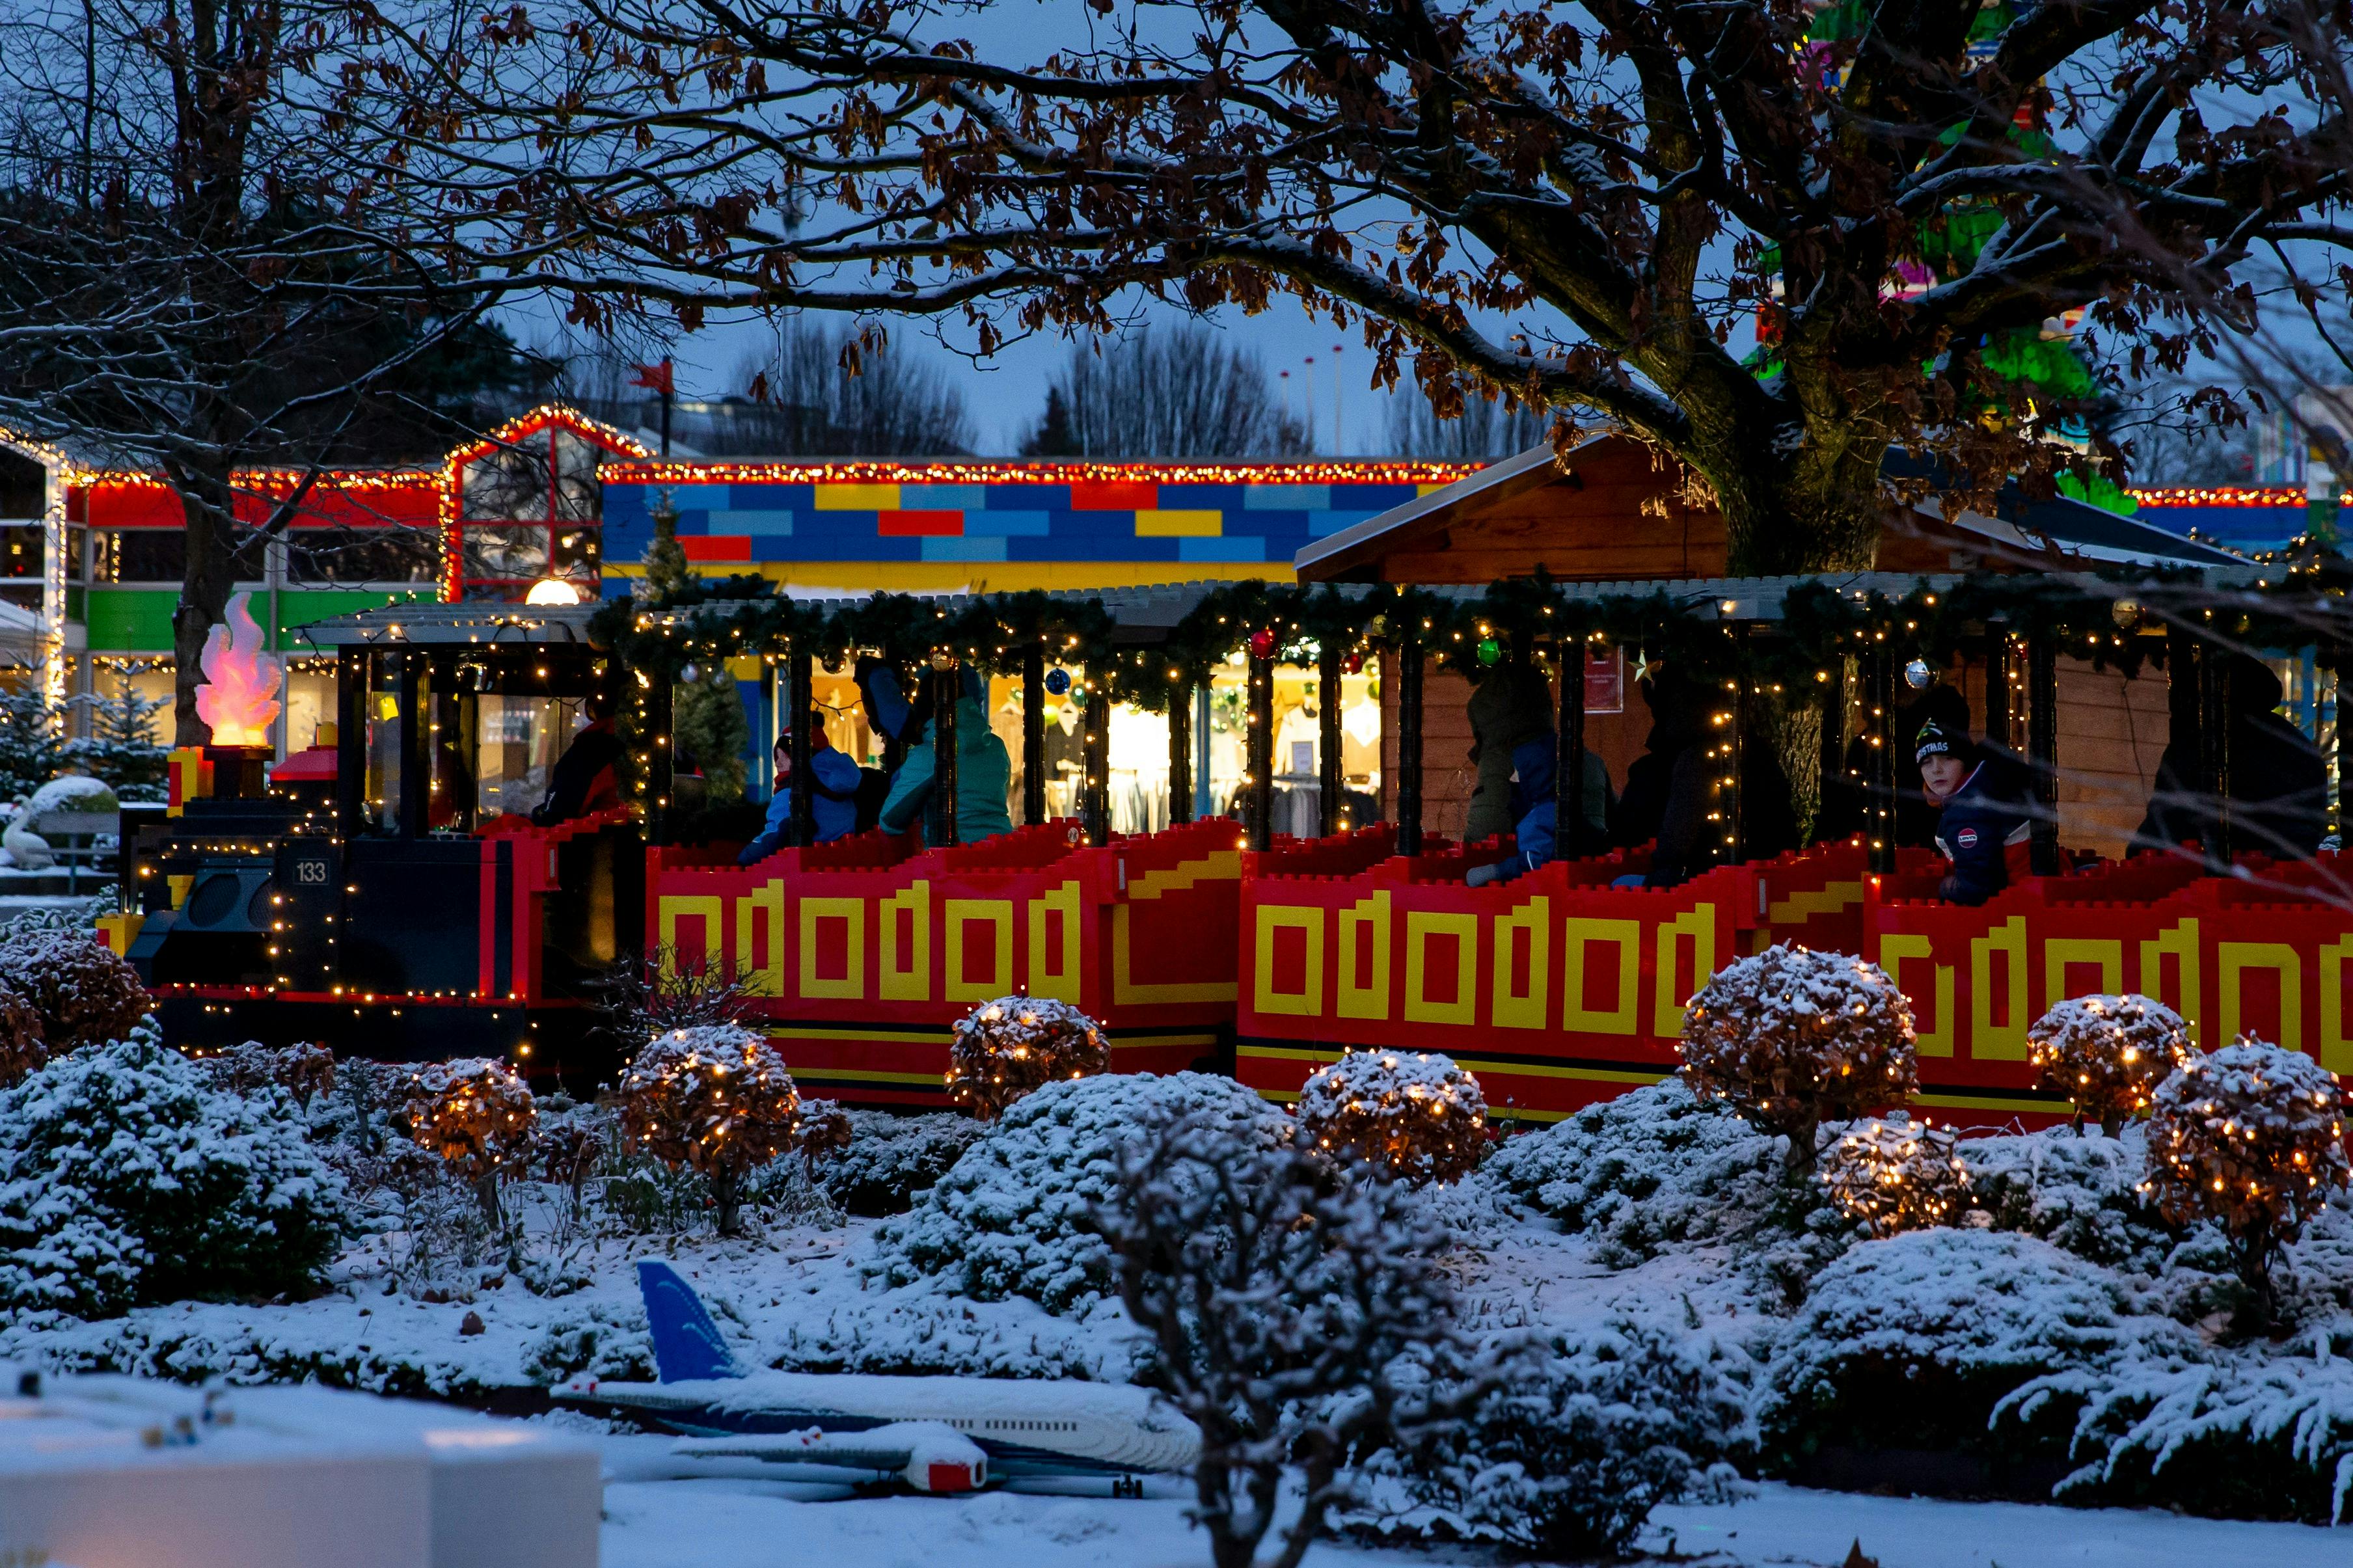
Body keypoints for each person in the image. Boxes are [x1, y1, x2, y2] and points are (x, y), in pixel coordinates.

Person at [1609, 665, 1798, 887]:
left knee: (1619, 884)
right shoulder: (1753, 752)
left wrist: (1663, 869)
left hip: (1709, 882)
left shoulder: (1697, 759)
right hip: (1771, 876)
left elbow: (1674, 840)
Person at [2132, 653, 2328, 863]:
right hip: (2292, 864)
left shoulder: (2200, 742)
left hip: (2214, 867)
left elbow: (2166, 822)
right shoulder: (2294, 742)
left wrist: (2140, 852)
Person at [877, 665, 1014, 845]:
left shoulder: (929, 754)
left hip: (955, 858)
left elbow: (890, 821)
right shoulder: (997, 746)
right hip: (1001, 849)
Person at [1916, 718, 2034, 904]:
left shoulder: (1968, 809)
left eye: (1948, 758)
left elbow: (1977, 886)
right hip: (2027, 895)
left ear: (1965, 761)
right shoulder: (1987, 787)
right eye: (1926, 762)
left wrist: (1942, 888)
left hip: (2018, 905)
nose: (1936, 770)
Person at [738, 714, 864, 863]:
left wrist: (744, 857)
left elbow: (772, 837)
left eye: (781, 757)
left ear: (797, 758)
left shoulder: (790, 794)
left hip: (806, 867)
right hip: (842, 862)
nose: (777, 764)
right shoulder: (846, 794)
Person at [530, 693, 623, 826]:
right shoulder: (645, 741)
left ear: (592, 708)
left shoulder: (592, 747)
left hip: (601, 837)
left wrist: (540, 815)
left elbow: (561, 806)